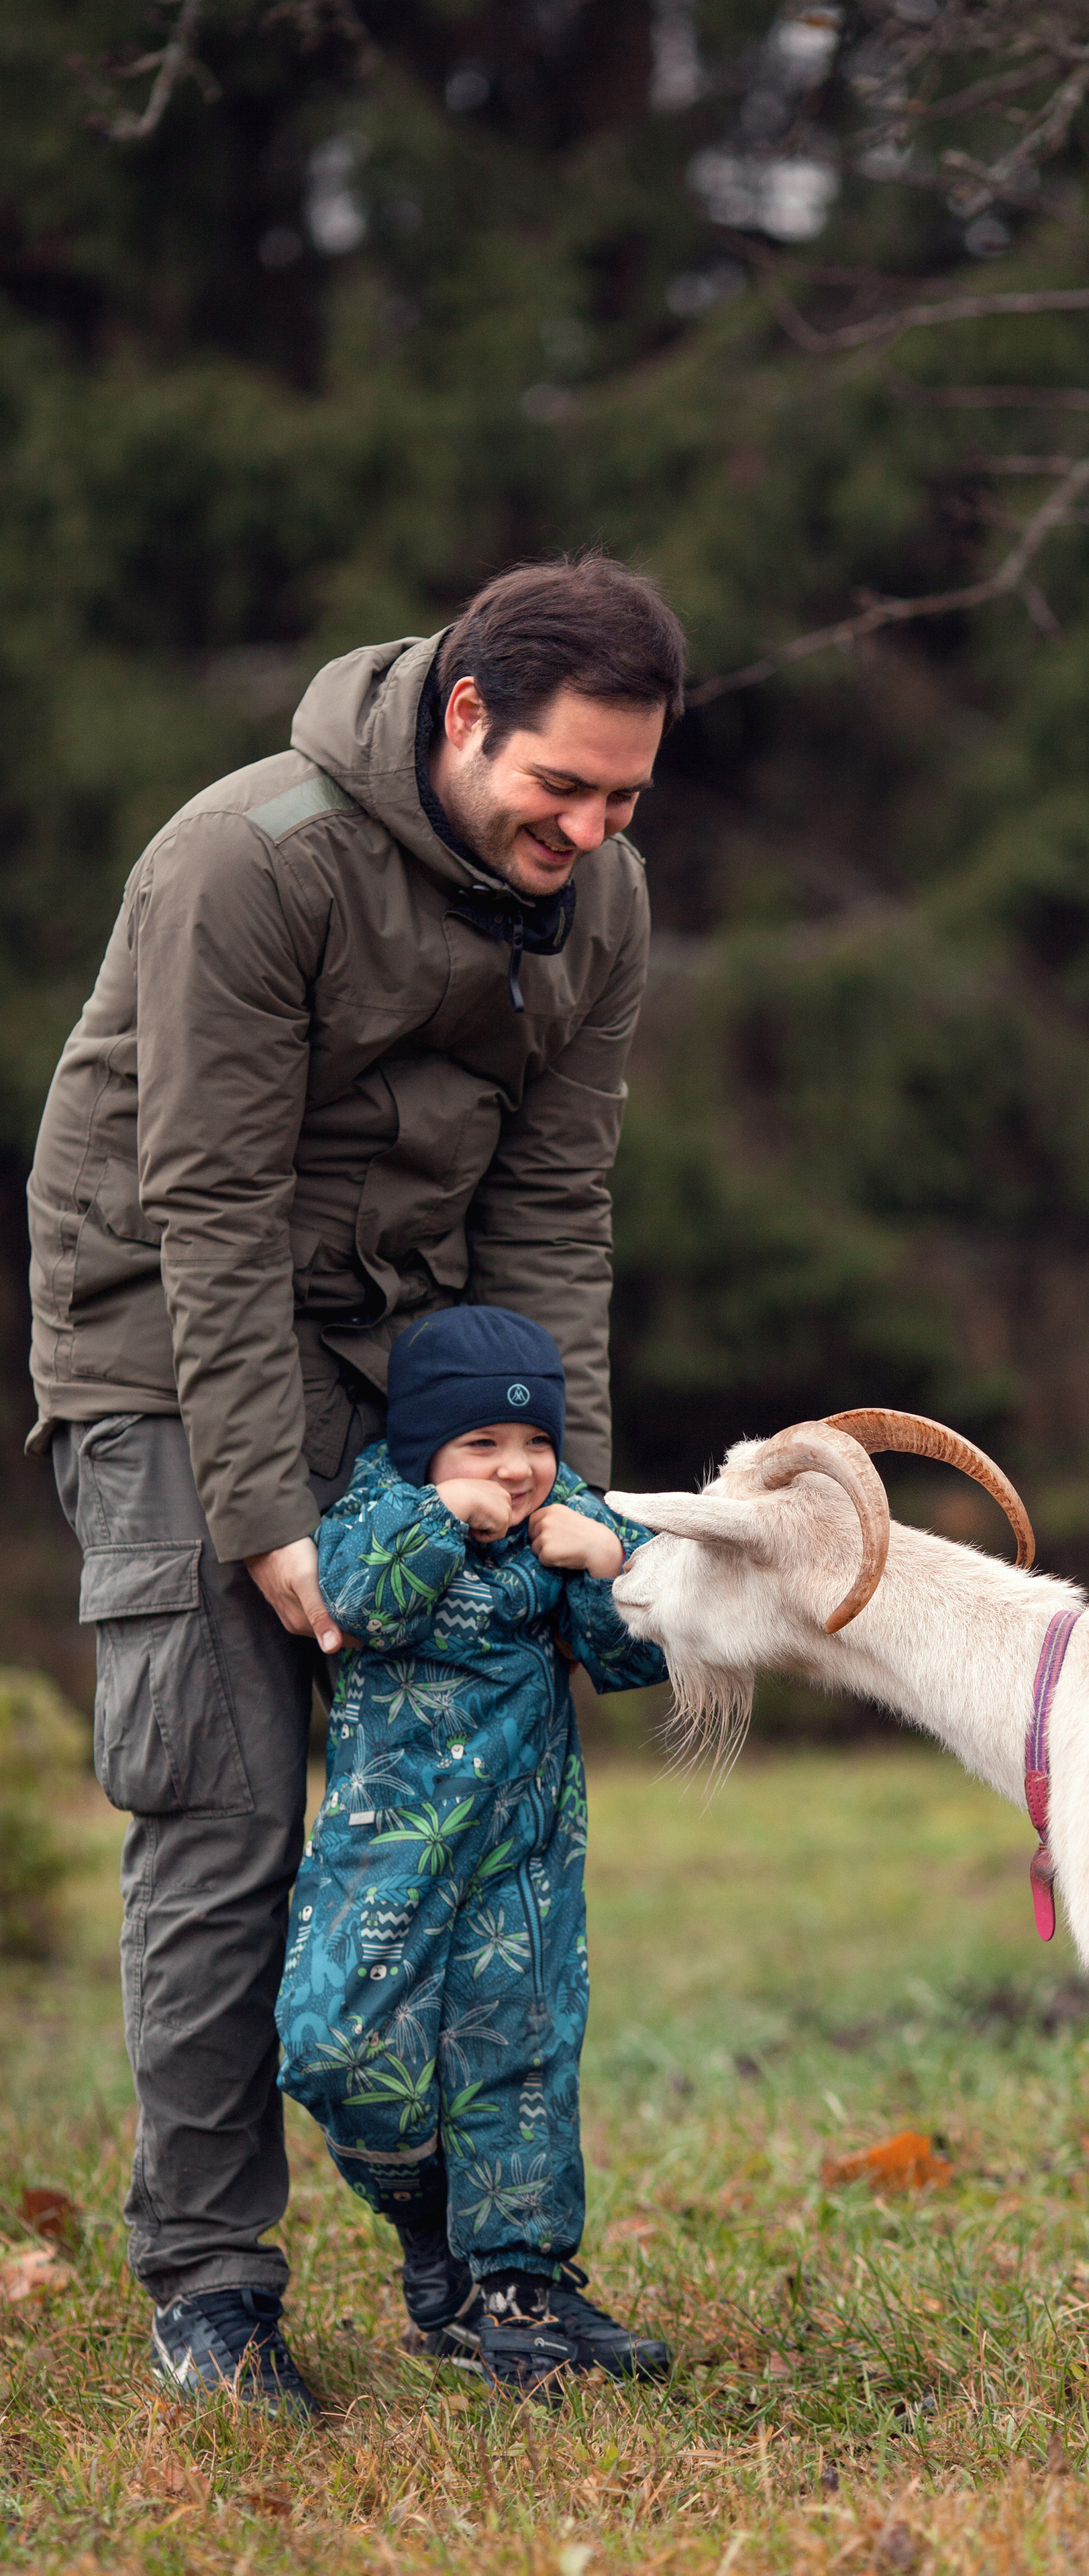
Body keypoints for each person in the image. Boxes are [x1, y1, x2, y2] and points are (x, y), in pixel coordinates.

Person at [26, 550, 684, 2413]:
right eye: (564, 785)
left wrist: (572, 1513)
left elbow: (552, 1206)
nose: (593, 826)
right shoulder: (250, 860)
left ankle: (489, 2278)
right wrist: (265, 1517)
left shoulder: (602, 900)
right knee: (229, 1819)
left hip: (417, 1363)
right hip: (170, 1348)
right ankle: (215, 2294)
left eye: (627, 795)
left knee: (472, 1842)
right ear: (466, 714)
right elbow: (208, 1210)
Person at [277, 1305, 669, 2398]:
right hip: (386, 1858)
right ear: (425, 1449)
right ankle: (436, 2237)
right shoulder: (381, 1506)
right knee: (333, 2050)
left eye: (535, 1443)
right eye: (482, 1447)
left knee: (519, 2068)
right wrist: (441, 1513)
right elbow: (357, 1600)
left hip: (521, 1861)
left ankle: (522, 2296)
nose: (517, 1469)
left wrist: (612, 1564)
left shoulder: (566, 1526)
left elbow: (637, 1658)